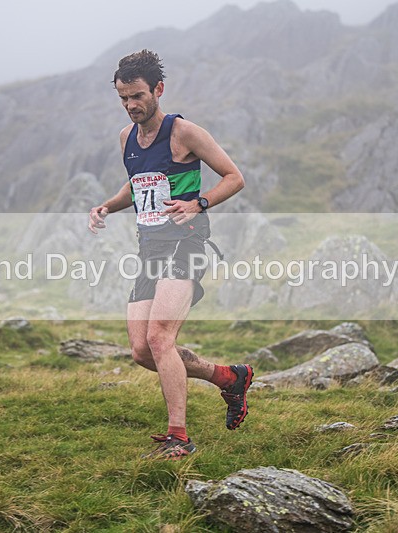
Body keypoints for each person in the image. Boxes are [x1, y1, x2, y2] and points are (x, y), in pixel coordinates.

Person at [88, 49, 253, 460]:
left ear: (158, 90)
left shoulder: (184, 133)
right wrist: (108, 205)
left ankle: (179, 437)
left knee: (161, 337)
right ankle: (229, 378)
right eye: (123, 98)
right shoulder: (126, 139)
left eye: (138, 96)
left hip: (187, 242)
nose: (130, 105)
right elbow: (136, 185)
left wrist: (199, 203)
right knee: (143, 351)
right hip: (150, 249)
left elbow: (234, 178)